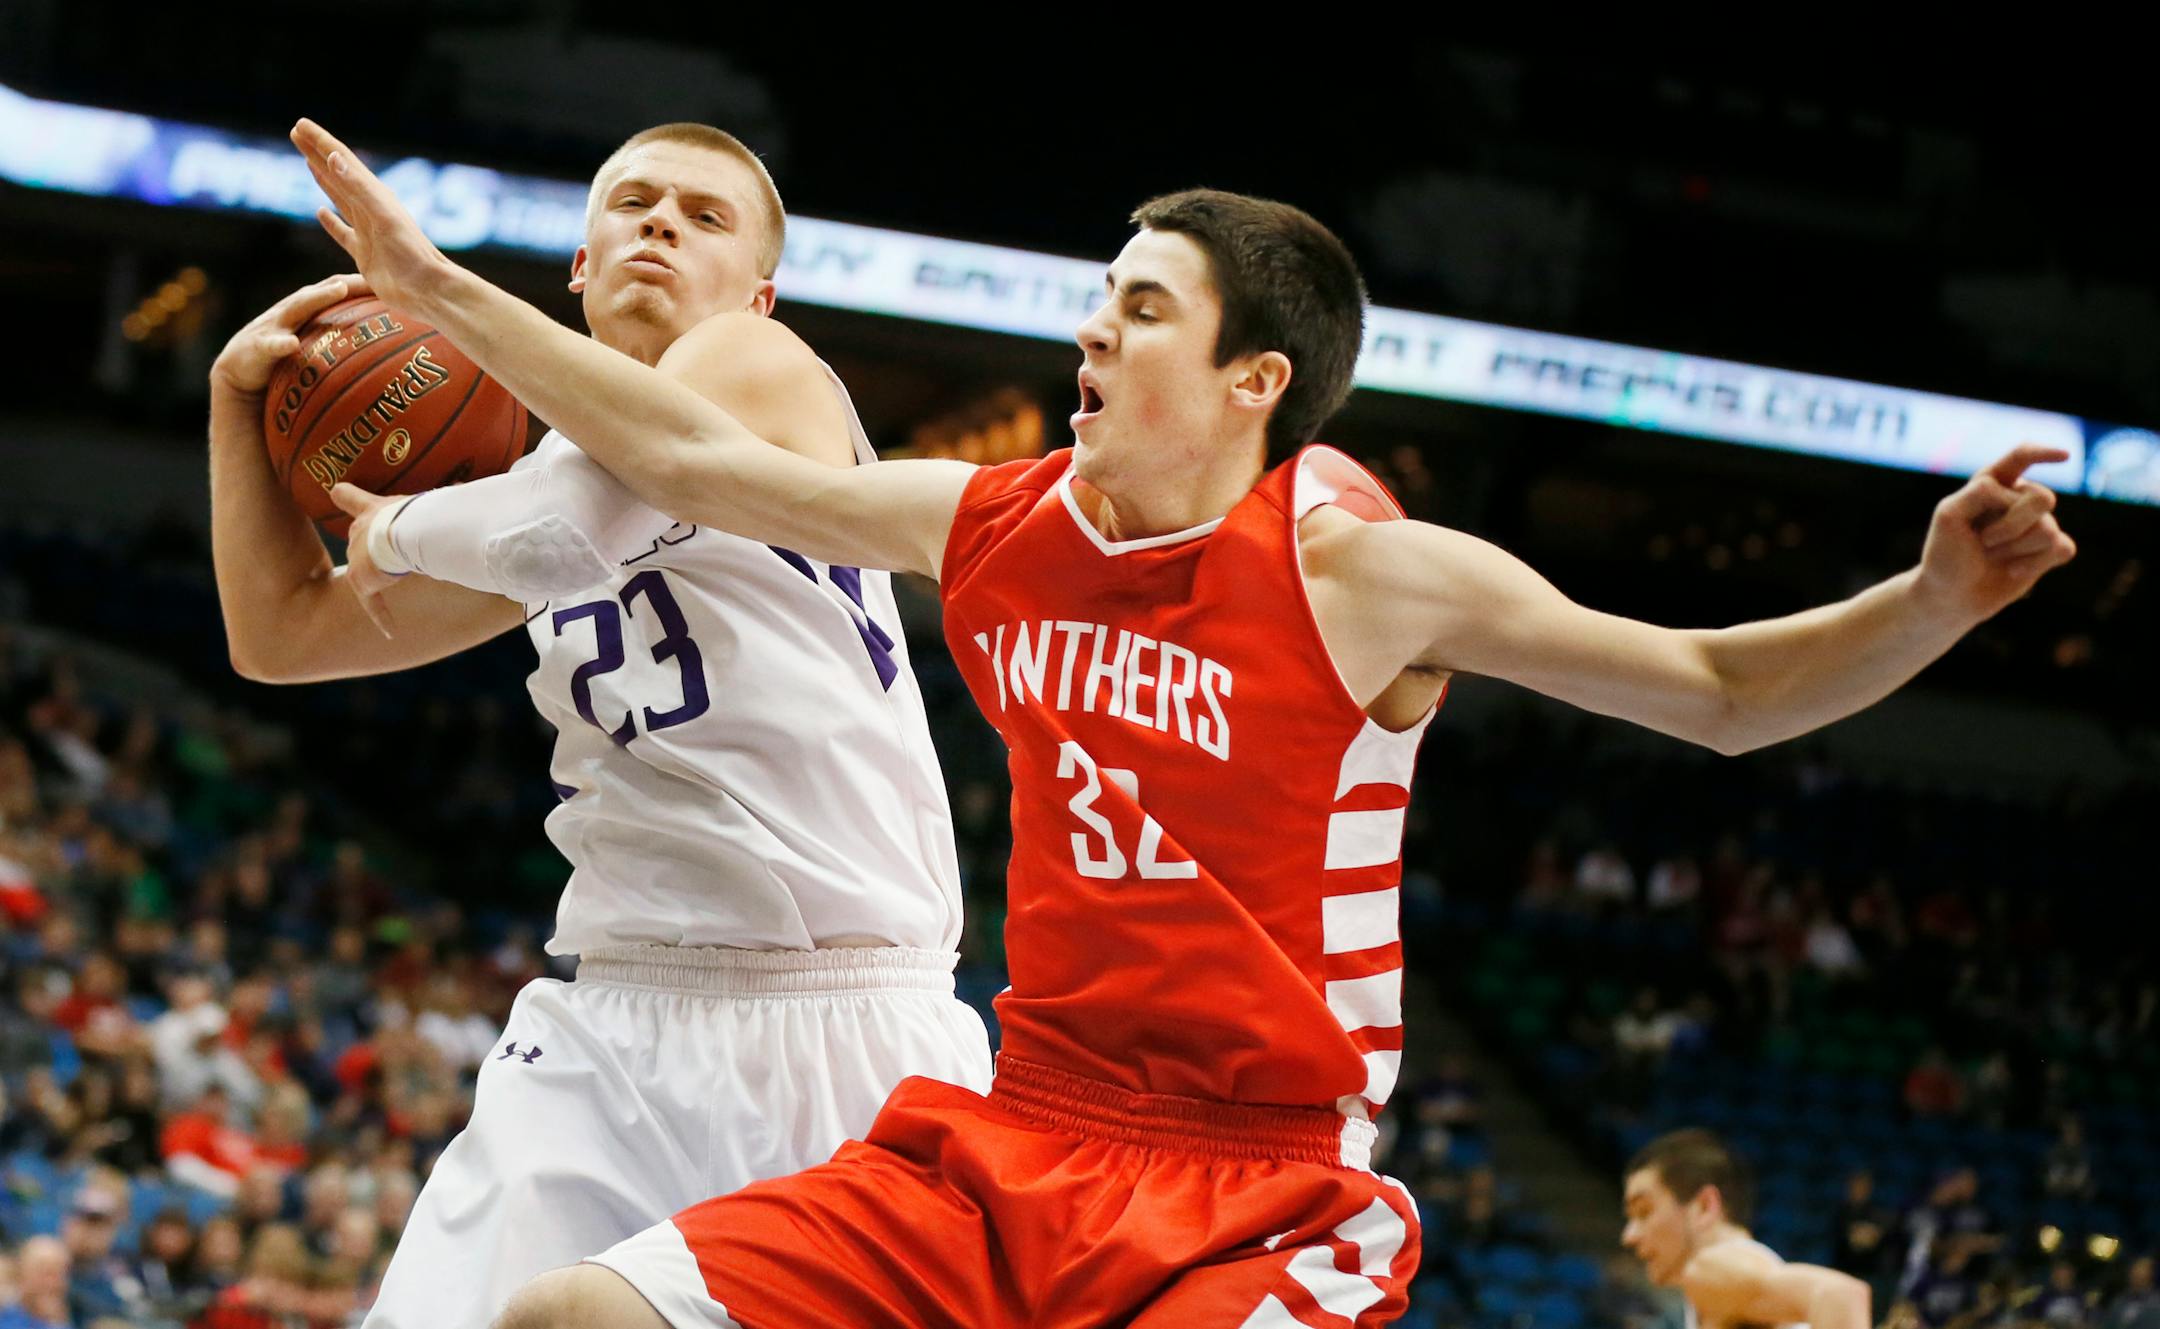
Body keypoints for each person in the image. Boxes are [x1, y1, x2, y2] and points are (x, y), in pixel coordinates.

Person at [289, 113, 2076, 1328]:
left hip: (1260, 1187)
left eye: (1139, 309)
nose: (1091, 333)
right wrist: (439, 290)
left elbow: (1723, 692)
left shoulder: (1363, 574)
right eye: (1100, 297)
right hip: (1017, 1136)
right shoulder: (1003, 527)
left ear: (1251, 380)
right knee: (572, 1311)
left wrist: (1930, 599)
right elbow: (691, 459)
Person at [209, 120, 991, 1329]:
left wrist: (402, 468)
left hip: (839, 1017)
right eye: (634, 204)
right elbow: (282, 635)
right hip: (612, 1014)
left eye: (705, 216)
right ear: (580, 265)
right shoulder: (537, 484)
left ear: (761, 293)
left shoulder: (756, 364)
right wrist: (234, 407)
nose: (662, 222)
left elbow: (562, 531)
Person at [1622, 1130, 1871, 1329]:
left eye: (1644, 1212)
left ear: (1704, 1207)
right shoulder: (1727, 1281)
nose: (1629, 1236)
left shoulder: (1712, 1267)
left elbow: (1839, 1295)